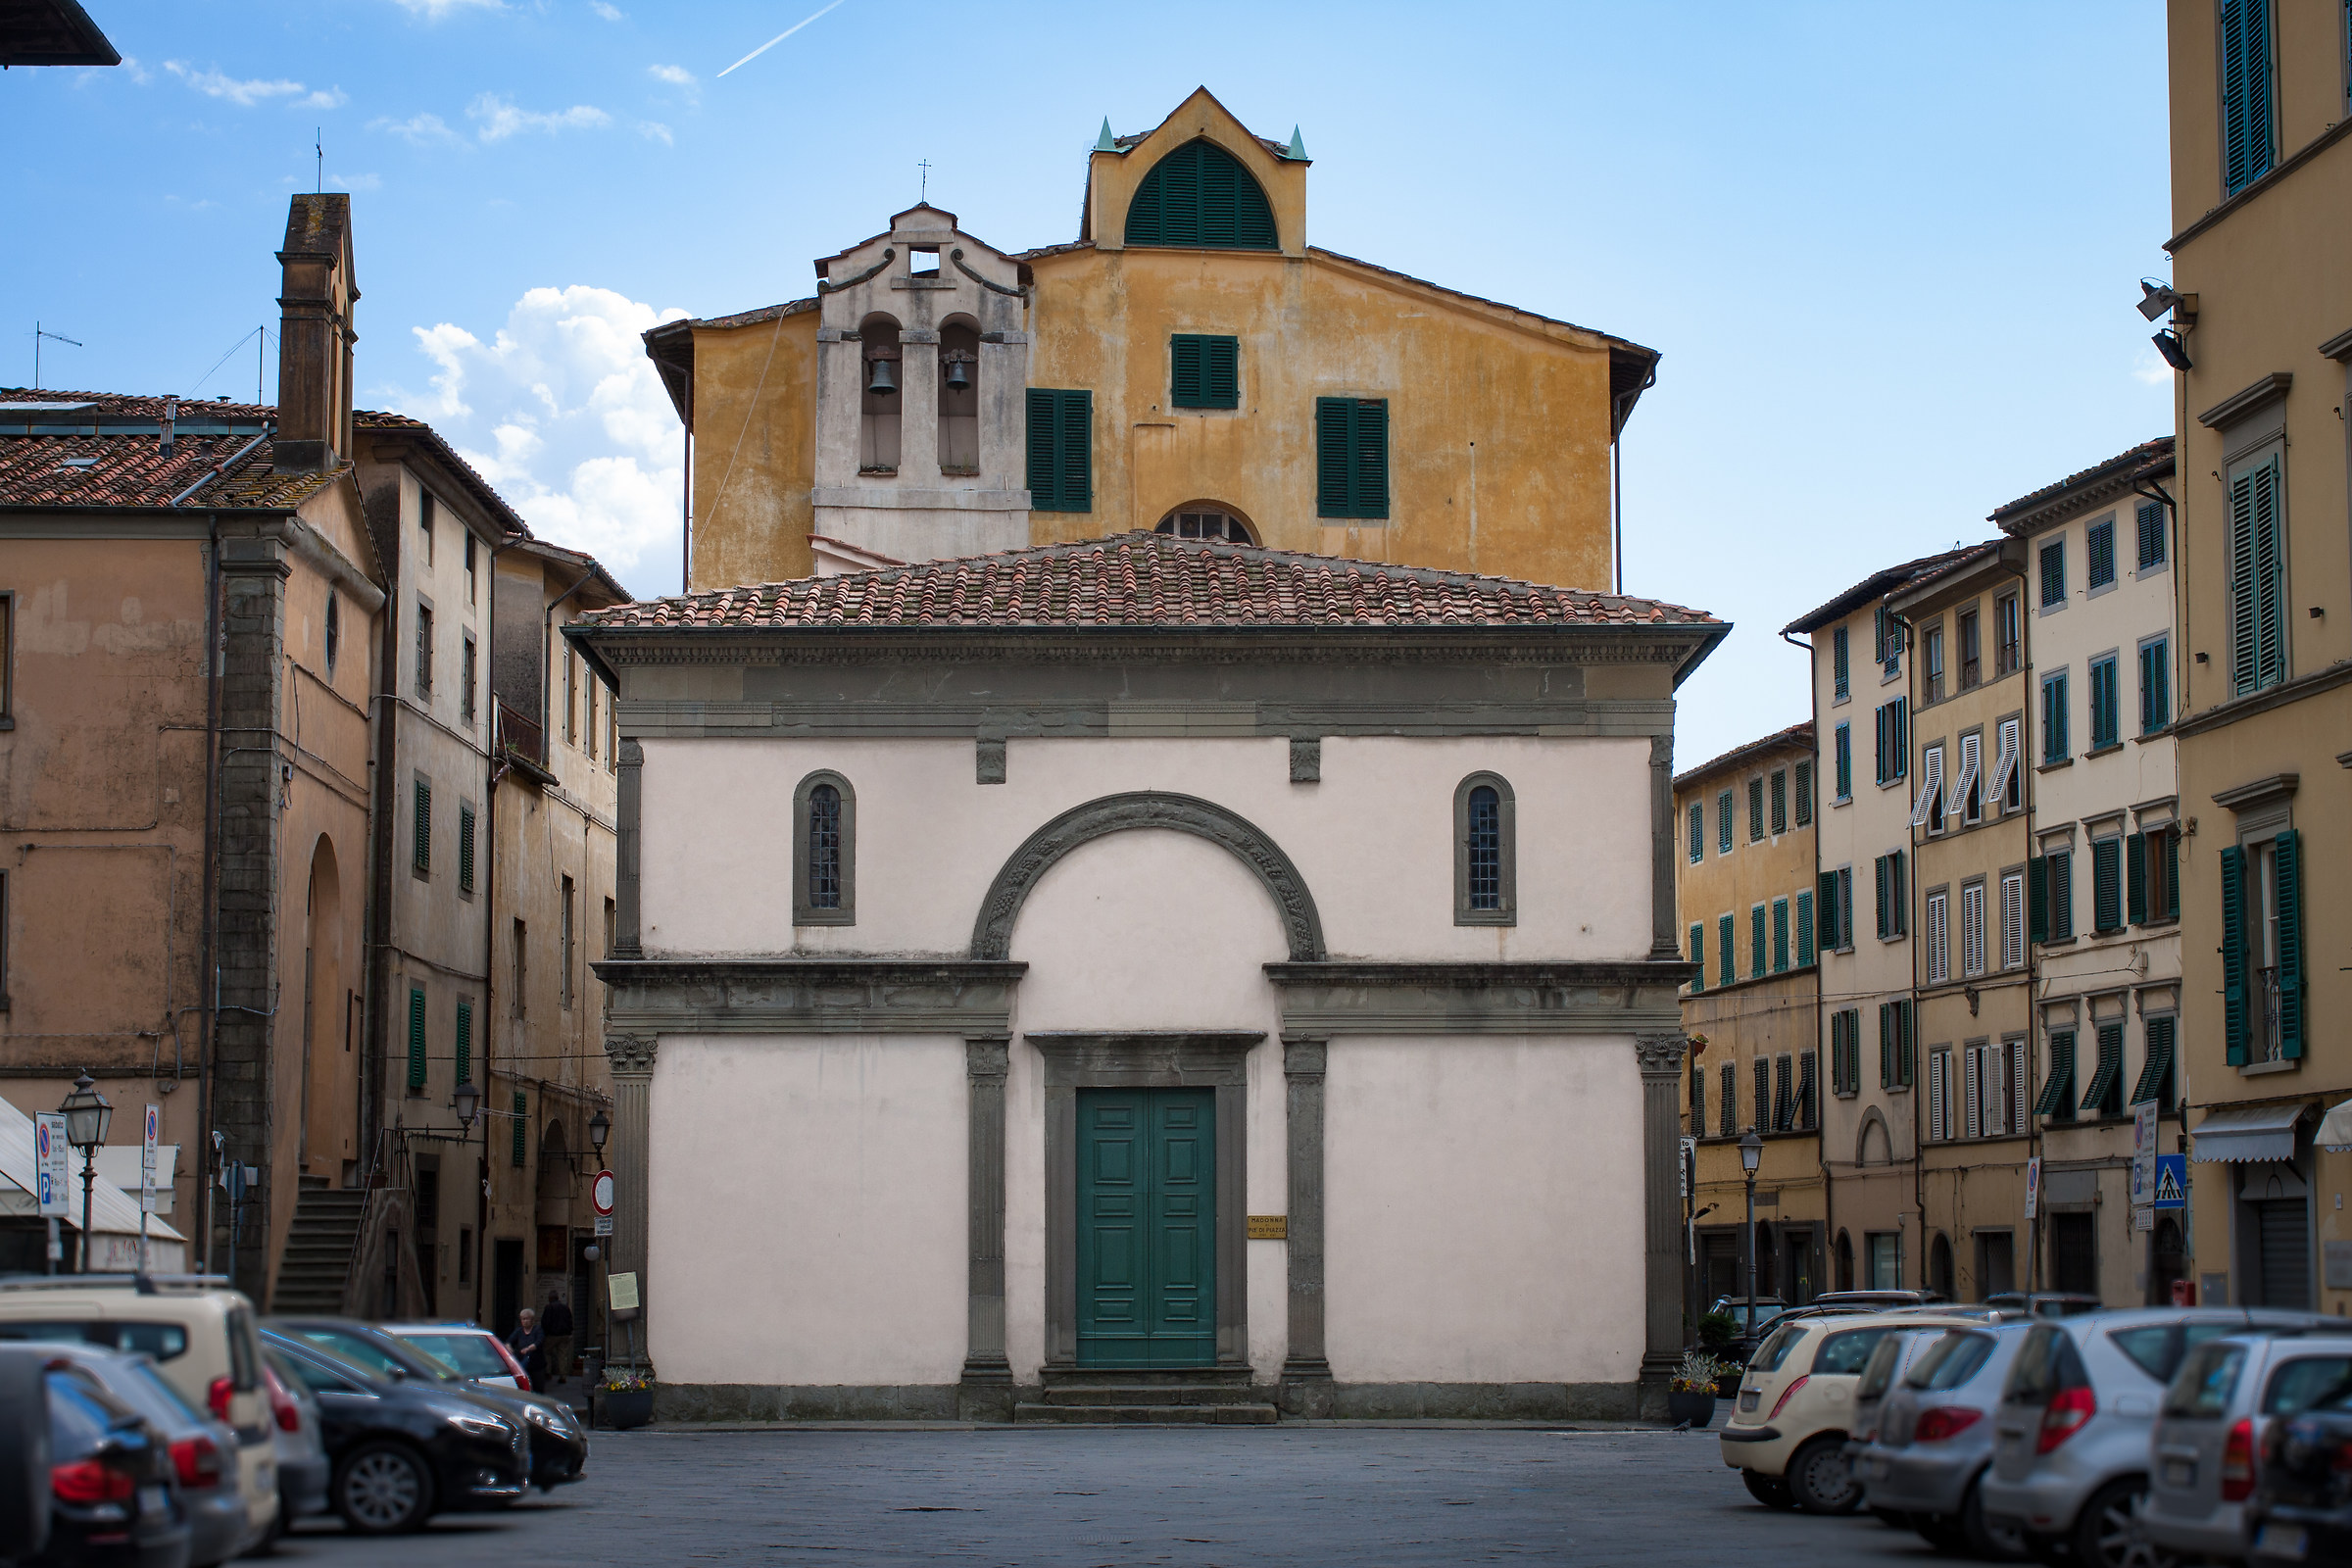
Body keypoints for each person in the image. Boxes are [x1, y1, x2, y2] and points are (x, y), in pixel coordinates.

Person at [508, 1306, 546, 1392]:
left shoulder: (538, 1330)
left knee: (538, 1389)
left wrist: (528, 1349)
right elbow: (509, 1341)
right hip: (523, 1365)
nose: (525, 1321)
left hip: (536, 1365)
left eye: (527, 1319)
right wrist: (509, 1347)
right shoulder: (519, 1331)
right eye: (523, 1319)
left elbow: (539, 1342)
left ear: (532, 1320)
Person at [541, 1290, 574, 1385]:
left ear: (550, 1298)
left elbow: (545, 1322)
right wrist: (570, 1332)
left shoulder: (548, 1308)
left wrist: (545, 1333)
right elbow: (569, 1320)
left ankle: (548, 1372)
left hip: (552, 1335)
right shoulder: (565, 1307)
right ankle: (563, 1376)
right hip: (564, 1335)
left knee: (547, 1352)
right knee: (562, 1355)